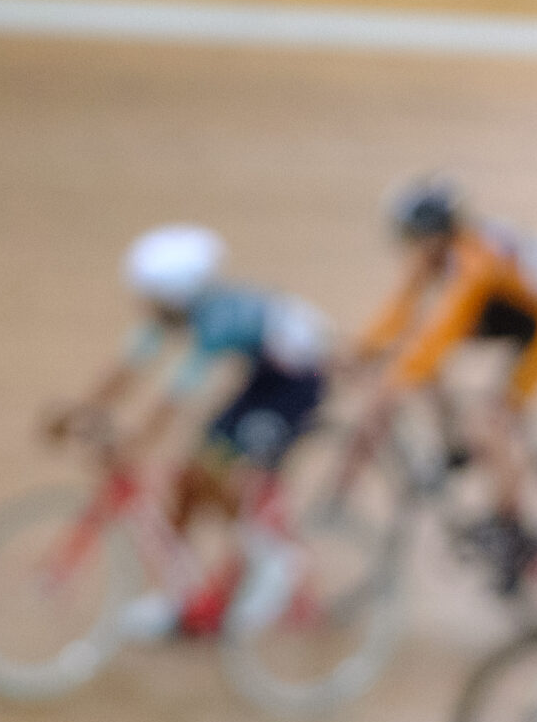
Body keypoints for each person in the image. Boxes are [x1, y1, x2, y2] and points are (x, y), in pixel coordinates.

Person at [44, 225, 333, 638]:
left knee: (215, 469)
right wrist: (78, 411)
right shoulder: (178, 310)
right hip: (263, 377)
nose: (142, 305)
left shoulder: (215, 320)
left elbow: (174, 395)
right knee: (188, 484)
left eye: (149, 296)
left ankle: (272, 557)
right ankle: (180, 596)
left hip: (296, 385)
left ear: (174, 295)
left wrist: (136, 443)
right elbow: (127, 368)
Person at [344, 176, 537, 594]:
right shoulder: (439, 253)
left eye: (412, 237)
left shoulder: (475, 259)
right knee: (417, 347)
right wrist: (359, 351)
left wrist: (395, 381)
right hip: (513, 309)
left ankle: (514, 535)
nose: (408, 248)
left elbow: (446, 326)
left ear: (435, 232)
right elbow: (400, 311)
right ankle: (452, 439)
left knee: (488, 425)